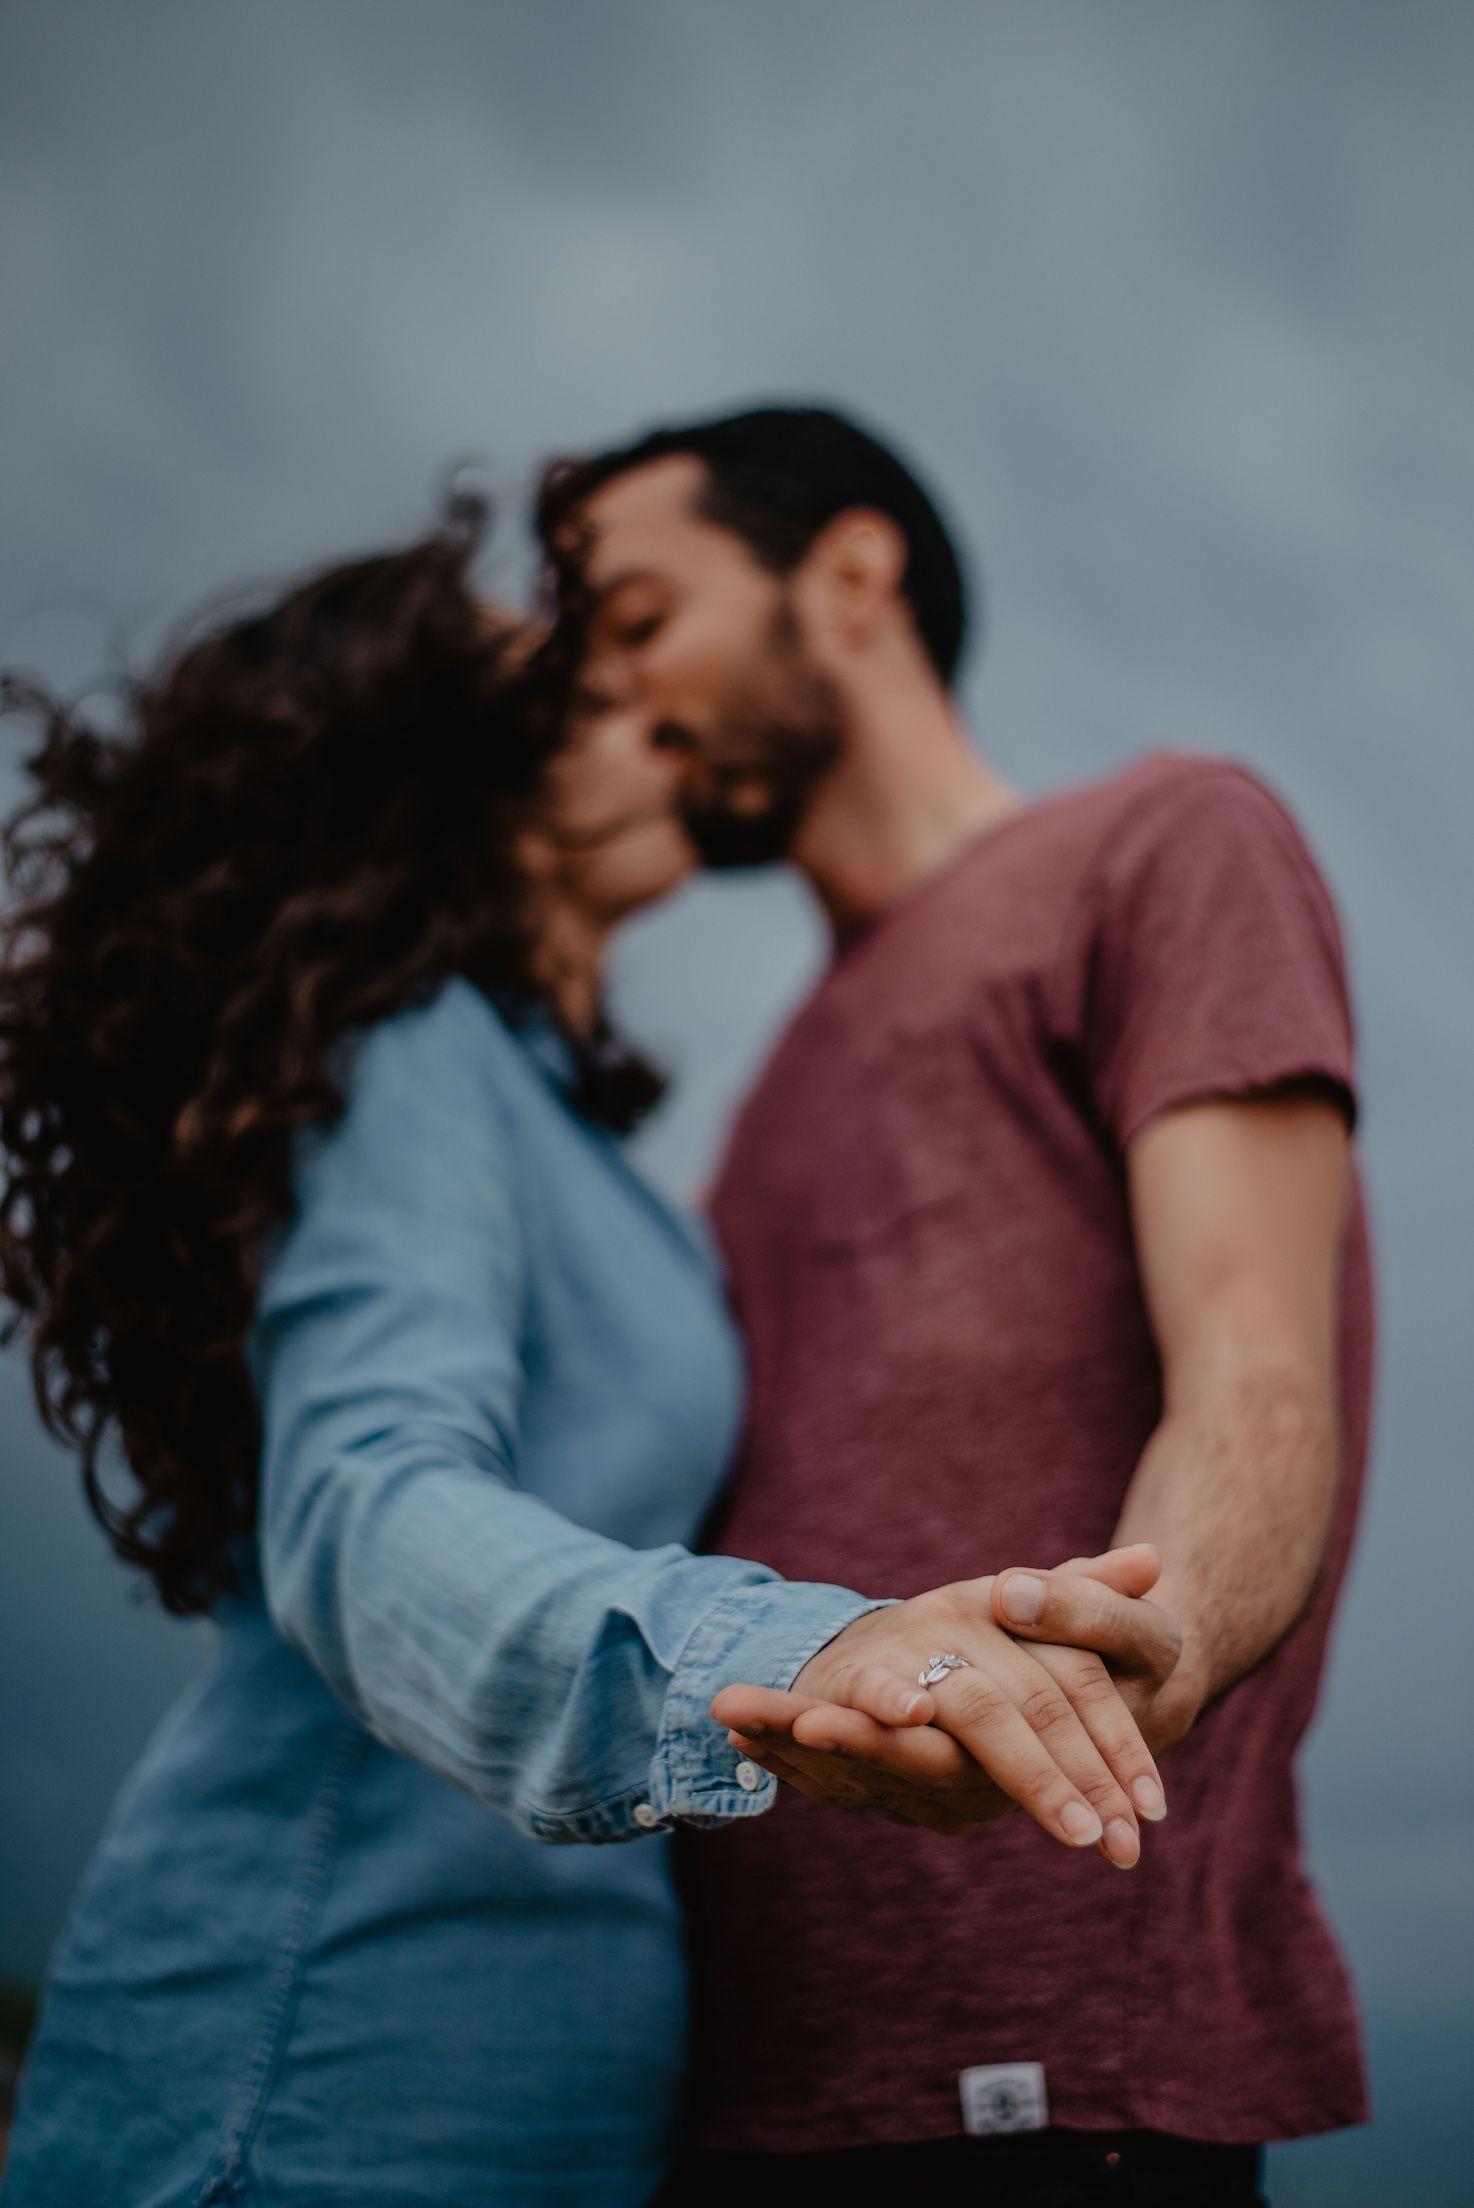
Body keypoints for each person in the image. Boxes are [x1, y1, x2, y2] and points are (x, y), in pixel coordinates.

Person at [0, 498, 1177, 2208]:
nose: (652, 710)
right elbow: (366, 1503)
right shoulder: (411, 1059)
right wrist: (801, 1646)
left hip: (550, 2106)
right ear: (443, 787)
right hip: (316, 2083)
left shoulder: (576, 1147)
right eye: (578, 693)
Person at [540, 404, 1373, 2207]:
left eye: (636, 618)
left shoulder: (1159, 842)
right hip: (726, 2093)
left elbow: (1255, 1373)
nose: (618, 696)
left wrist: (1132, 1666)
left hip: (1052, 2080)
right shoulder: (759, 1099)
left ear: (846, 576)